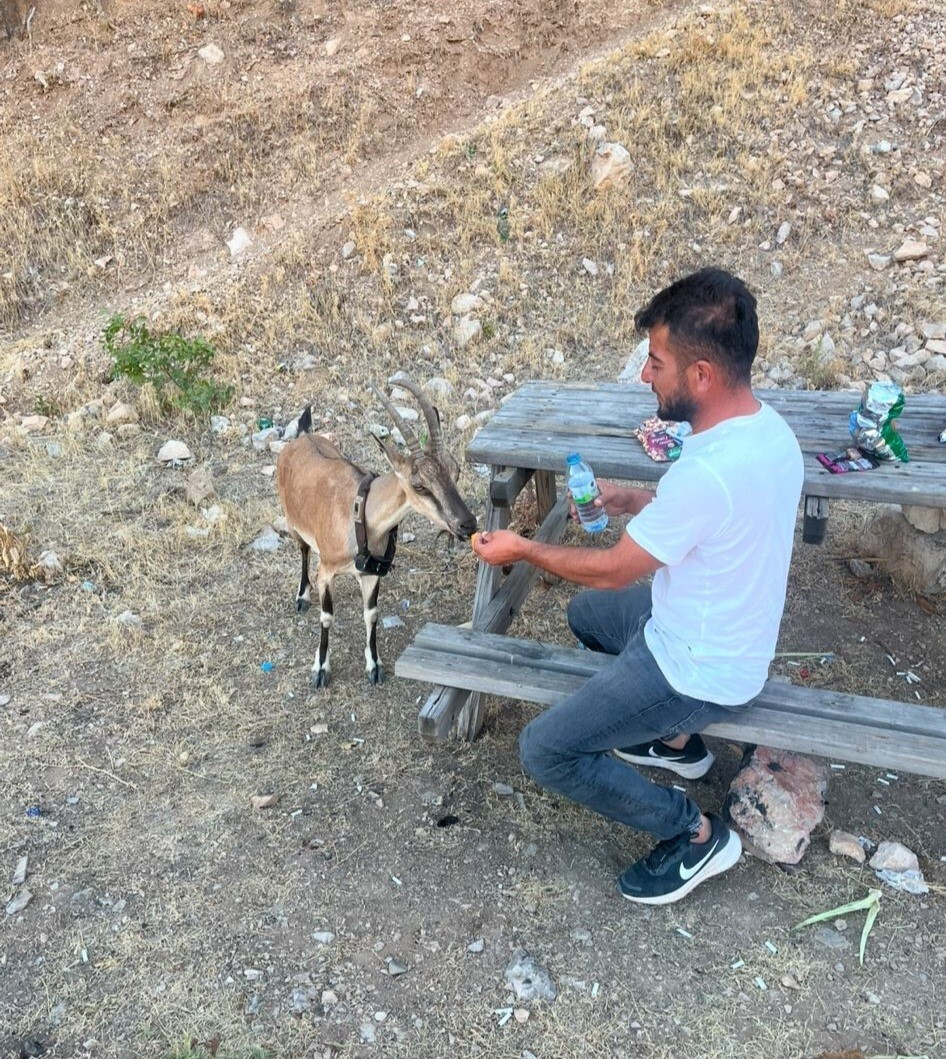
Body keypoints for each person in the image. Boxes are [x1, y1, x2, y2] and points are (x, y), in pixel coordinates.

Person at [472, 268, 804, 905]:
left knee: (545, 750)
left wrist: (521, 549)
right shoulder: (767, 433)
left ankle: (696, 835)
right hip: (717, 629)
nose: (644, 376)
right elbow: (712, 515)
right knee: (590, 616)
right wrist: (633, 498)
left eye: (656, 362)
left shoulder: (709, 470)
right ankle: (674, 741)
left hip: (697, 667)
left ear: (701, 375)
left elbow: (618, 567)